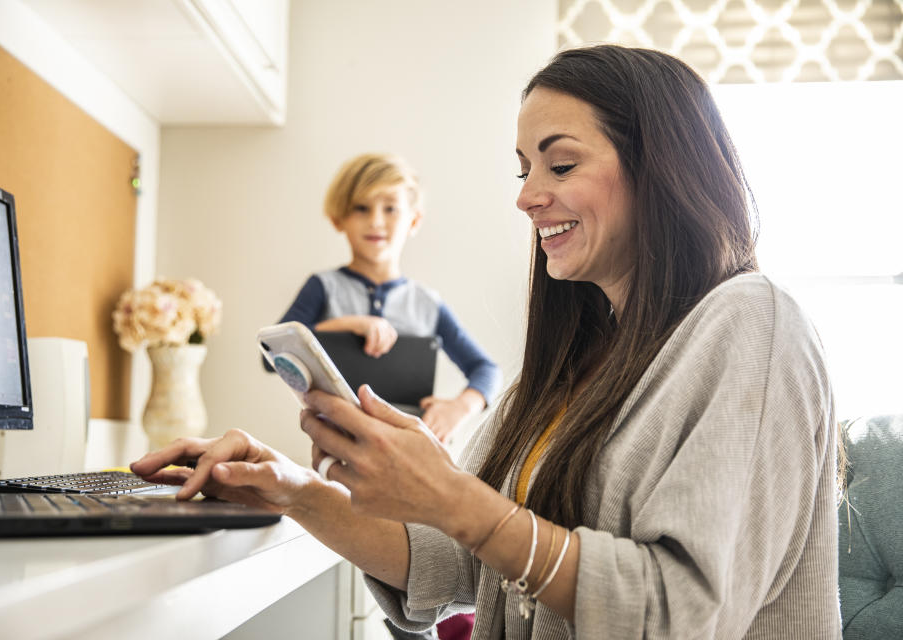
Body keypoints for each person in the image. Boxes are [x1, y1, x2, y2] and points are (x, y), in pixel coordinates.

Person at [132, 45, 841, 638]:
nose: (527, 195)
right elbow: (457, 561)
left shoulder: (753, 322)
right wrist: (292, 490)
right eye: (523, 168)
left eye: (559, 165)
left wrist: (453, 498)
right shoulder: (580, 361)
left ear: (662, 167)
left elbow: (680, 613)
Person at [278, 152, 501, 443]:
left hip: (411, 451)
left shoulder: (427, 303)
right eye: (361, 208)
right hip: (337, 448)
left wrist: (458, 409)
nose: (375, 221)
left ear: (414, 221)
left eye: (391, 209)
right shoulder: (322, 286)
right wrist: (348, 325)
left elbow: (486, 369)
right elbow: (274, 353)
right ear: (338, 219)